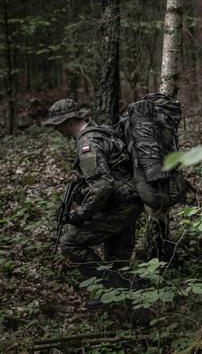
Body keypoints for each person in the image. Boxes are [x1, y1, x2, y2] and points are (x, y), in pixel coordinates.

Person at [44, 99, 143, 288]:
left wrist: (78, 215)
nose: (57, 131)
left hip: (119, 206)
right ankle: (124, 303)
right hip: (130, 200)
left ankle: (110, 287)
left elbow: (101, 187)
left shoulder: (87, 144)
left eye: (58, 126)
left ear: (68, 121)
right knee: (117, 260)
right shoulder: (99, 131)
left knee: (69, 243)